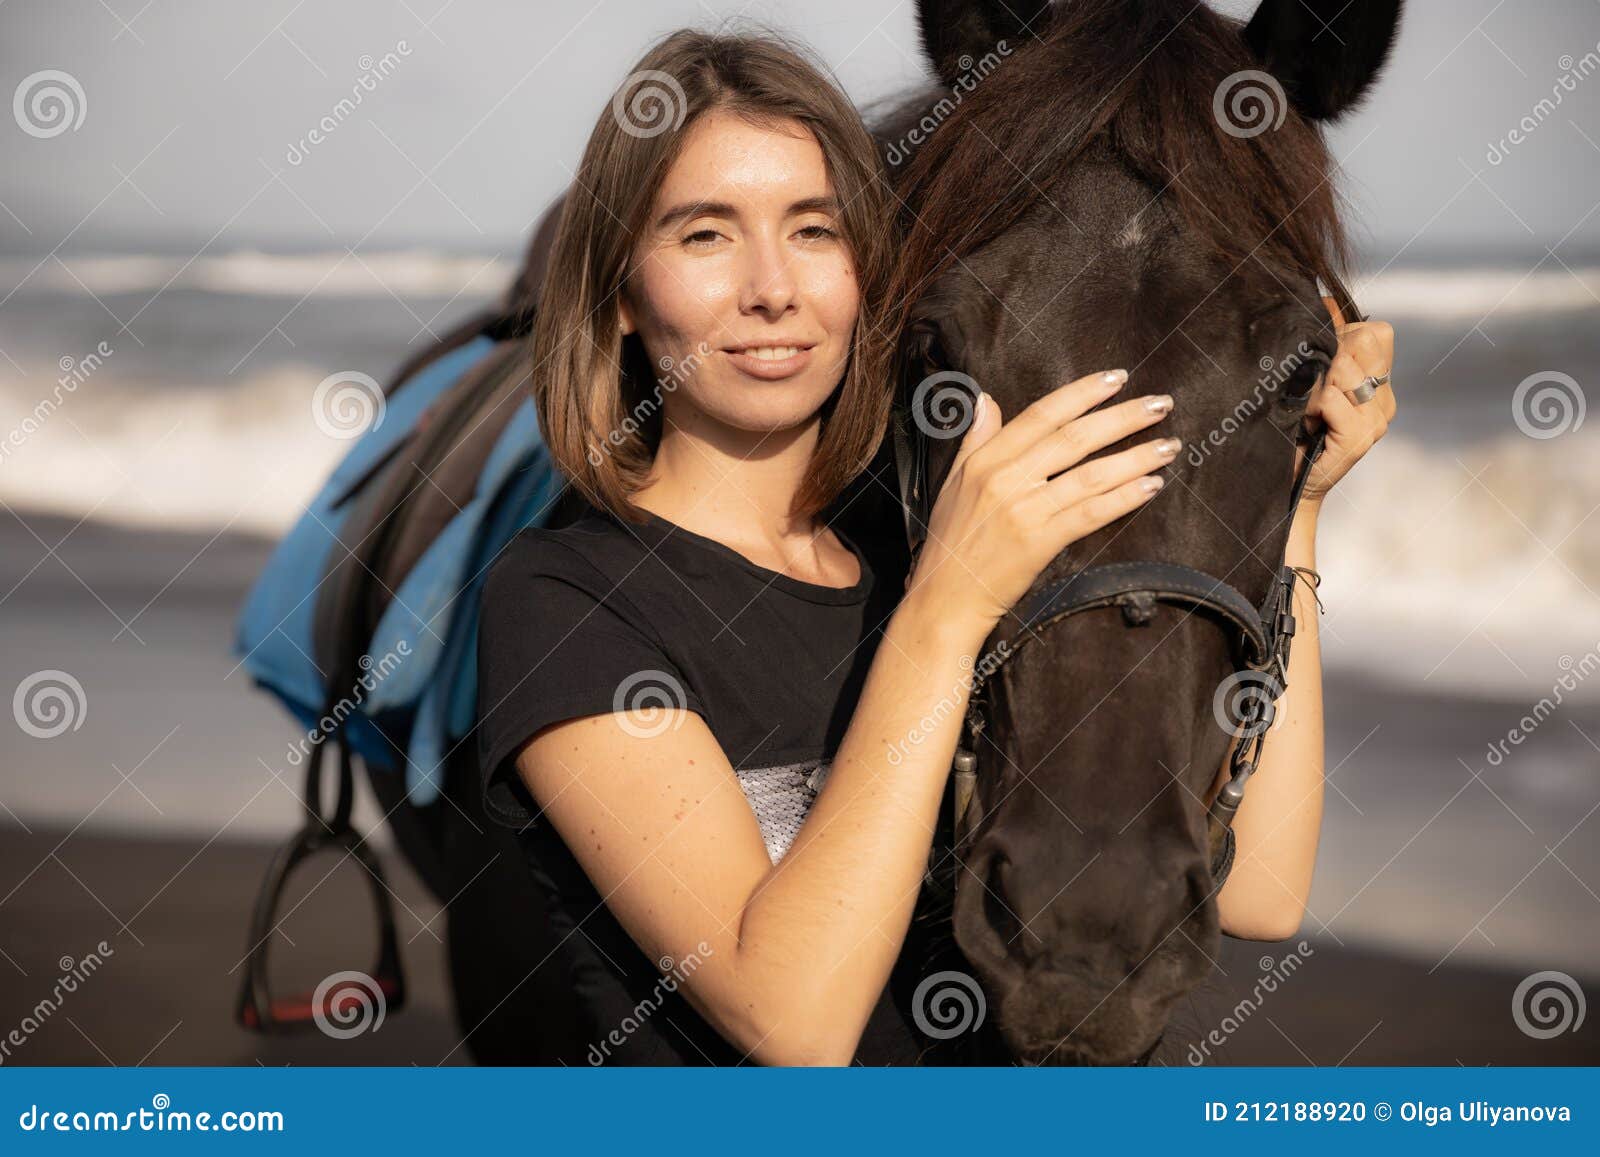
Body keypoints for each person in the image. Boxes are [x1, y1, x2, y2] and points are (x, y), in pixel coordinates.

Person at [472, 27, 1395, 1066]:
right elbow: (792, 1017)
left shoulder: (912, 550)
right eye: (704, 235)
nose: (772, 287)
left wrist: (1298, 502)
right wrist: (949, 606)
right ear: (623, 293)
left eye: (814, 230)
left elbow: (1260, 889)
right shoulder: (562, 599)